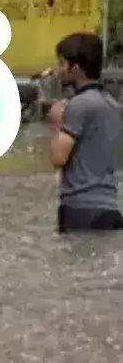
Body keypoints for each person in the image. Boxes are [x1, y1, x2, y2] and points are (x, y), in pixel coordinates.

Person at [48, 32, 123, 232]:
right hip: (110, 209)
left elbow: (58, 158)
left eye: (63, 64)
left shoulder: (79, 105)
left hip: (79, 209)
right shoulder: (113, 105)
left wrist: (56, 122)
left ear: (77, 68)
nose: (59, 70)